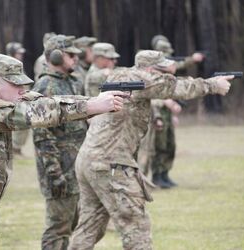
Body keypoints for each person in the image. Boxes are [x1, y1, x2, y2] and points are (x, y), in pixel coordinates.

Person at [68, 50, 233, 250]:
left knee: (89, 226)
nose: (165, 74)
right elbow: (177, 87)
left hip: (89, 159)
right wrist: (213, 85)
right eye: (161, 70)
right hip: (110, 163)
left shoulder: (121, 75)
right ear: (149, 69)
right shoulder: (142, 79)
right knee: (136, 226)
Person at [0, 52, 126, 250]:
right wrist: (92, 105)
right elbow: (35, 113)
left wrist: (95, 102)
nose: (22, 89)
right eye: (16, 84)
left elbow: (48, 101)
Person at [32, 34, 88, 250]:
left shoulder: (74, 83)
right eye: (71, 55)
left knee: (74, 223)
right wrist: (55, 174)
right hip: (60, 170)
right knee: (57, 229)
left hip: (77, 167)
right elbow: (42, 136)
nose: (76, 59)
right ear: (55, 57)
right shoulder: (45, 86)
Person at [140, 35, 205, 188]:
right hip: (156, 113)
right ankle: (156, 176)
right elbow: (148, 95)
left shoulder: (165, 71)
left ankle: (164, 174)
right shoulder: (148, 73)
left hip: (166, 112)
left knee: (169, 145)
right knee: (157, 146)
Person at [6, 41, 30, 156]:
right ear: (12, 53)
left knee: (24, 124)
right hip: (14, 100)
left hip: (21, 99)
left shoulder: (18, 64)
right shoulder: (9, 66)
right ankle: (14, 149)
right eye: (18, 53)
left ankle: (16, 148)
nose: (20, 55)